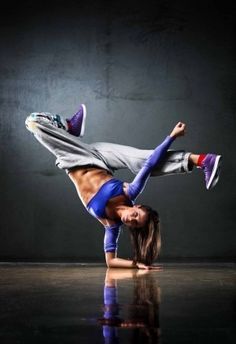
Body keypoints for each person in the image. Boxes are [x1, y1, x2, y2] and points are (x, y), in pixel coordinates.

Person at [25, 105, 222, 269]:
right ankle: (203, 160)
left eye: (134, 224)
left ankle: (69, 126)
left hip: (76, 158)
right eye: (136, 215)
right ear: (137, 206)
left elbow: (111, 262)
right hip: (101, 156)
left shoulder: (111, 225)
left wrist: (136, 264)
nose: (131, 219)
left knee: (33, 122)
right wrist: (172, 136)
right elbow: (150, 163)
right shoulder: (130, 192)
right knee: (141, 160)